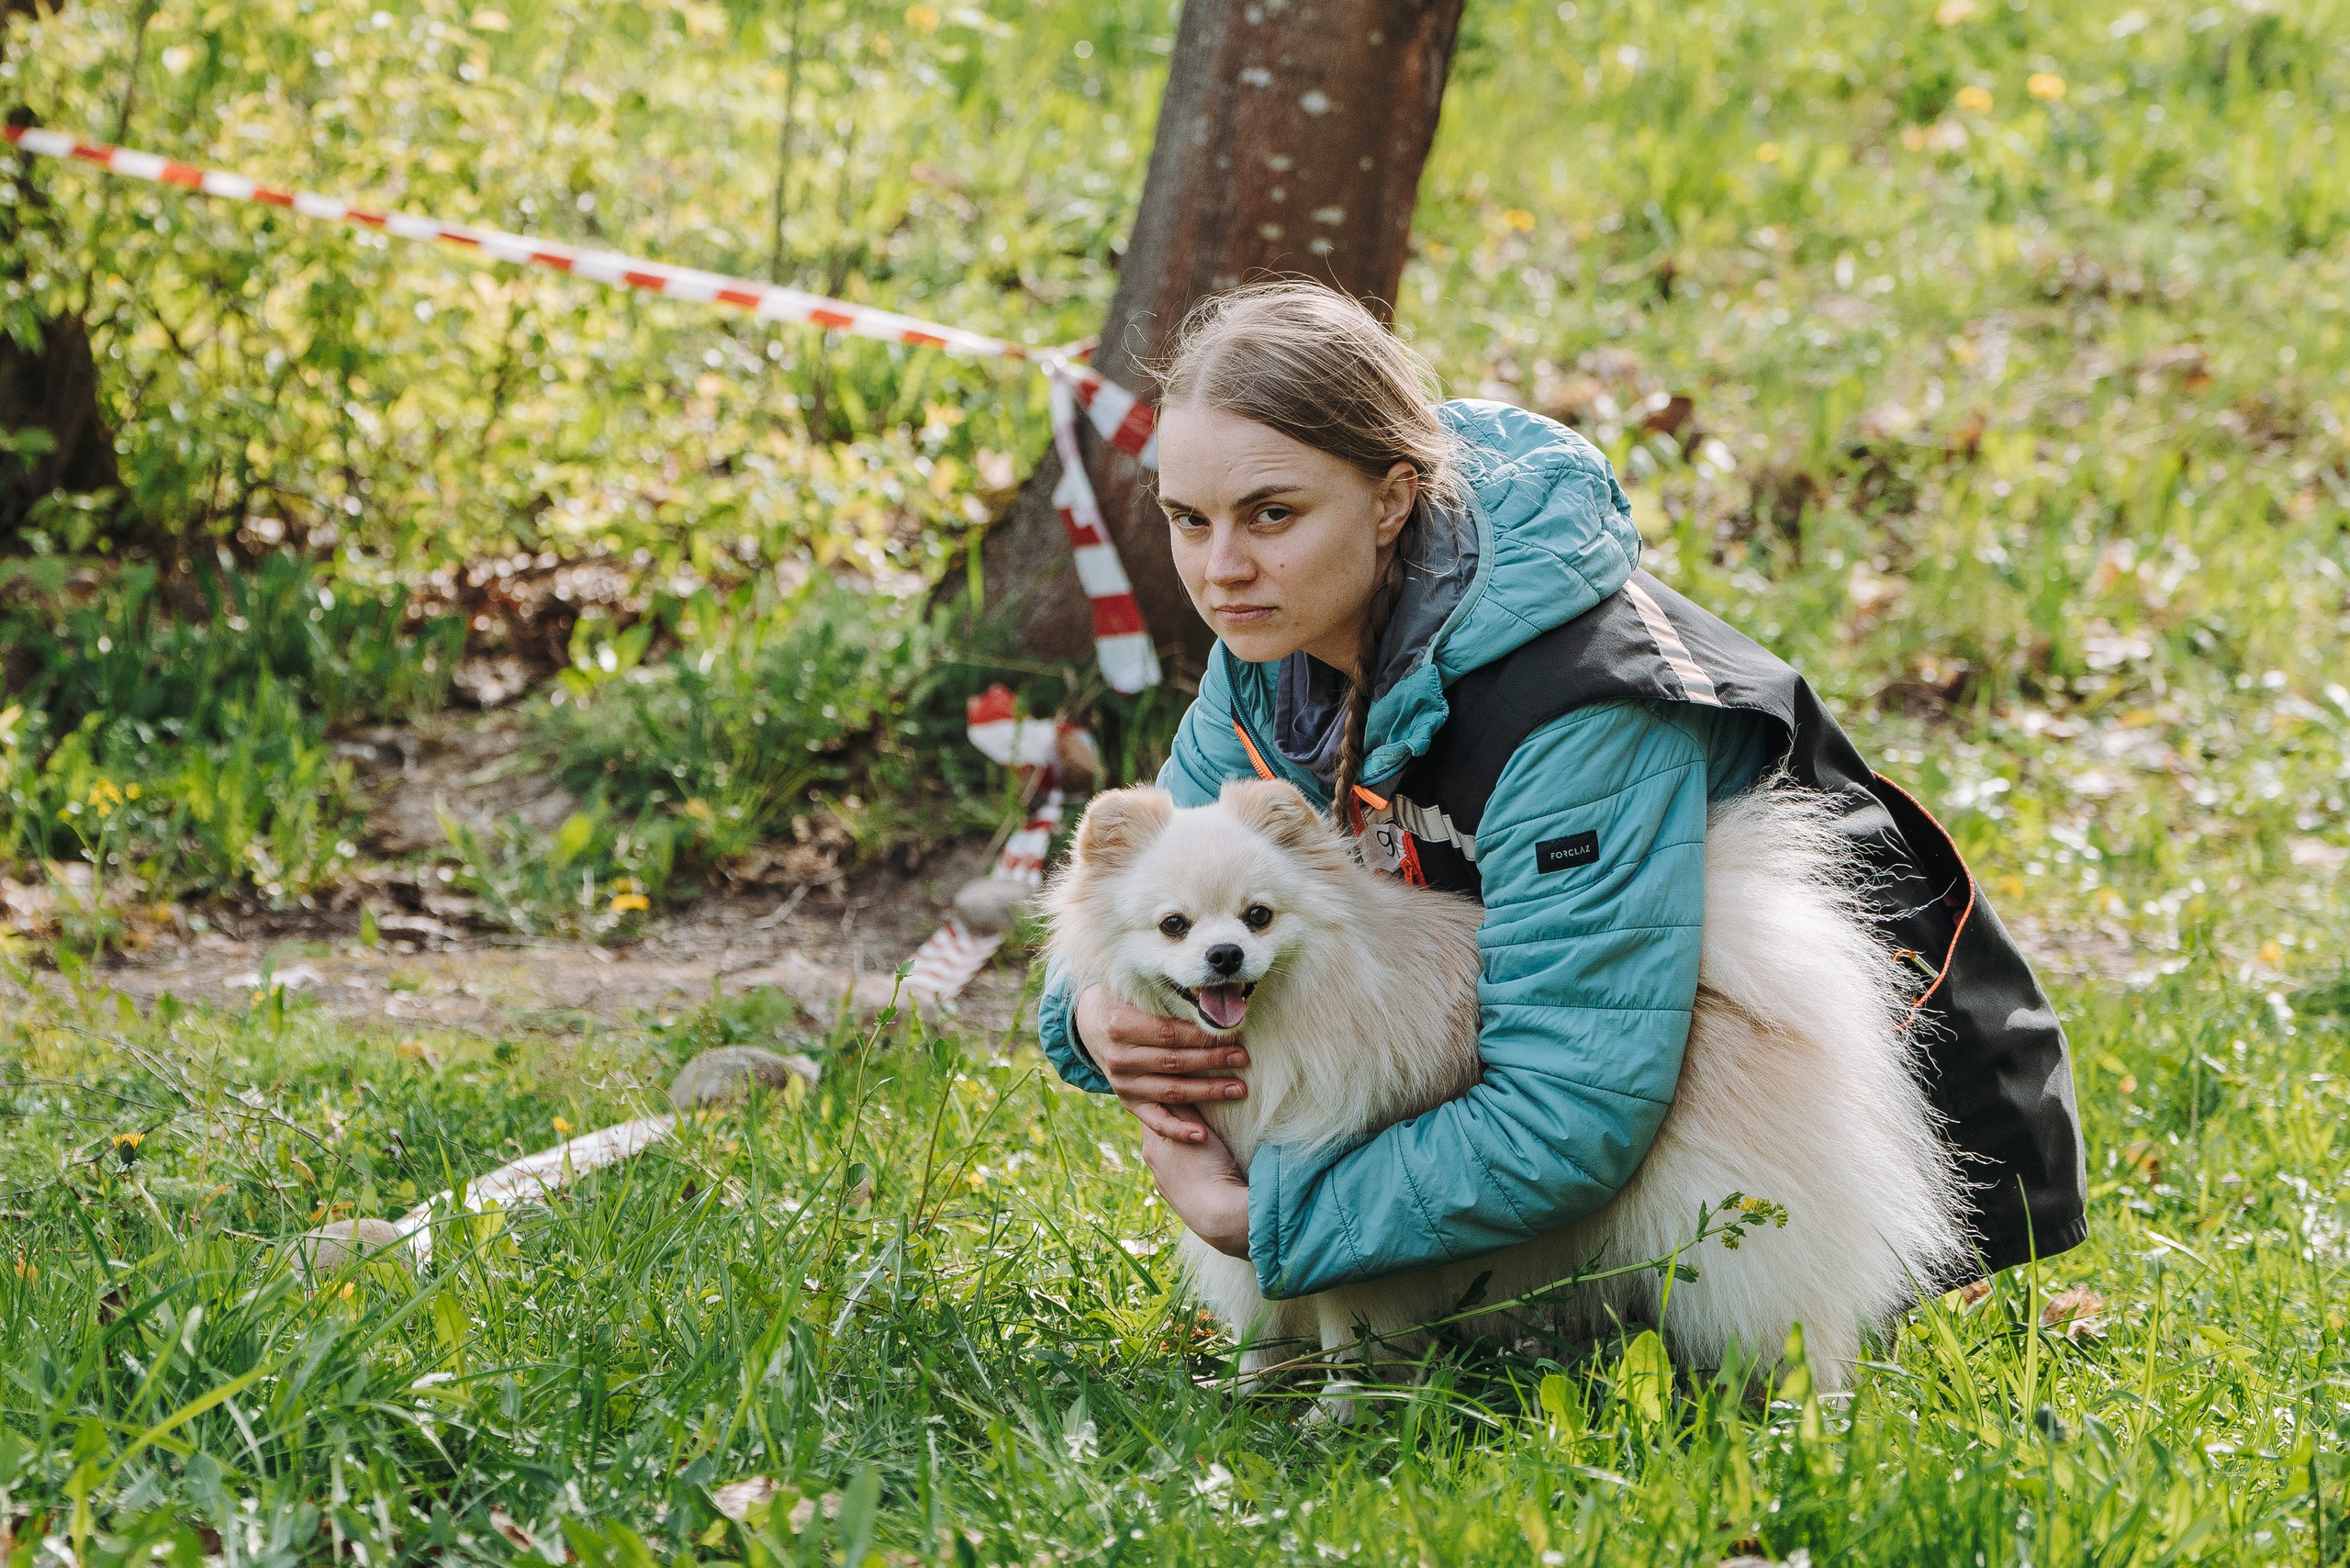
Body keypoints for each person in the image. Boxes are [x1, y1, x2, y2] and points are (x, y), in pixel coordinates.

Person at [1035, 281, 2084, 1305]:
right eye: (1188, 519)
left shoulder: (1575, 699)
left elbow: (1576, 1099)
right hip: (1549, 1102)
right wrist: (1098, 1023)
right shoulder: (1269, 650)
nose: (1221, 568)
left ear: (1392, 500)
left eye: (1271, 514)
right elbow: (1138, 902)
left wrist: (1263, 1218)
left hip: (1835, 1147)